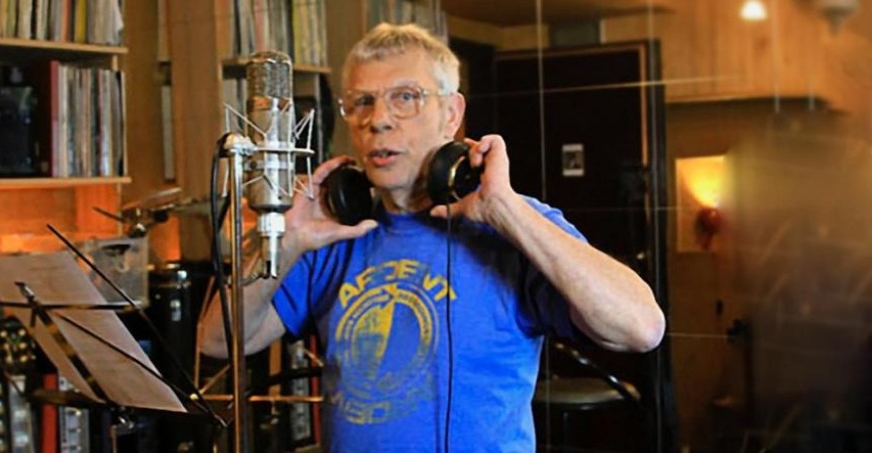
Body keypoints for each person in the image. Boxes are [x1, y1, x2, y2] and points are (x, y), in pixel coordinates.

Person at [200, 23, 665, 452]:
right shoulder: (329, 235)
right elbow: (219, 342)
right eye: (362, 102)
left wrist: (505, 210)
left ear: (451, 114)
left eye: (405, 97)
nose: (379, 119)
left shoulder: (515, 225)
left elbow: (640, 328)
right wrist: (288, 240)